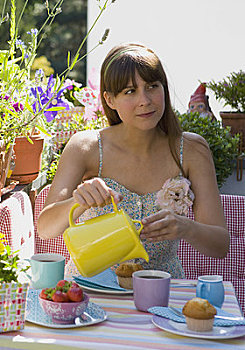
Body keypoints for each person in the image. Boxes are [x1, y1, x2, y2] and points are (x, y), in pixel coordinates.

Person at [37, 43, 229, 278]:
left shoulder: (191, 150)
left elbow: (220, 245)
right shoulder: (85, 147)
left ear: (164, 89)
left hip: (161, 295)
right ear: (109, 100)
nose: (145, 100)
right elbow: (46, 229)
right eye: (130, 91)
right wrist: (78, 201)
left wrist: (186, 227)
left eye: (152, 86)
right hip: (90, 292)